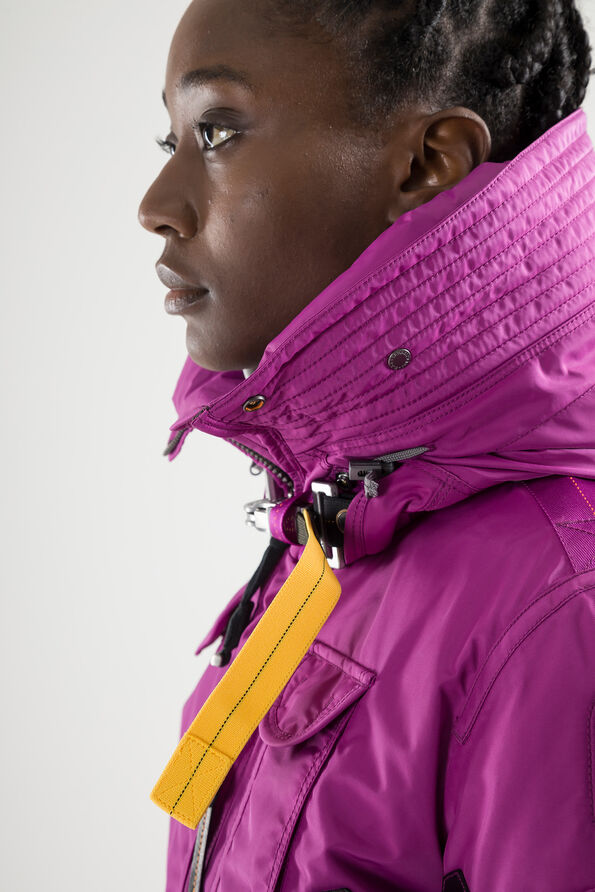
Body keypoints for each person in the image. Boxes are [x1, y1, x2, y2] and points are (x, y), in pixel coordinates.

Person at [137, 0, 595, 889]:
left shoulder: (561, 608)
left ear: (426, 163)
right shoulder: (339, 527)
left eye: (218, 132)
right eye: (172, 139)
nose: (155, 206)